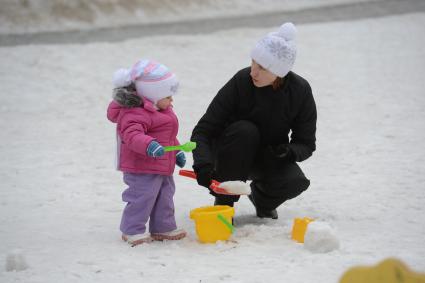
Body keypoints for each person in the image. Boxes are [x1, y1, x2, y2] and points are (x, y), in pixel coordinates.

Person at [191, 22, 317, 220]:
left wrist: (288, 152)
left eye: (262, 68)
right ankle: (224, 203)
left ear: (280, 72)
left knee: (295, 182)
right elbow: (204, 130)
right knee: (245, 130)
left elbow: (306, 143)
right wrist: (203, 165)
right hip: (228, 154)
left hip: (267, 157)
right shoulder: (241, 81)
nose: (253, 72)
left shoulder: (299, 91)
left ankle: (262, 200)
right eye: (253, 62)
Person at [107, 59, 187, 246]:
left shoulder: (162, 110)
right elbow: (131, 135)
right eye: (168, 95)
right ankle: (132, 230)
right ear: (152, 95)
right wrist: (149, 145)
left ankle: (163, 227)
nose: (172, 99)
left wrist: (176, 151)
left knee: (165, 196)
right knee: (141, 197)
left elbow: (167, 137)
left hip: (161, 165)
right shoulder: (134, 113)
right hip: (140, 167)